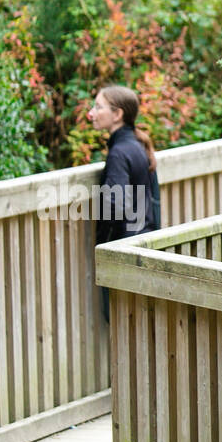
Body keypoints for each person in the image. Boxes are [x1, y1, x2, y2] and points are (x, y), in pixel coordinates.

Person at [88, 85, 161, 320]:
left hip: (124, 254)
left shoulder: (119, 153)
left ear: (117, 114)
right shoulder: (137, 147)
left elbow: (115, 205)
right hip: (144, 246)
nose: (91, 113)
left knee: (123, 323)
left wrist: (102, 245)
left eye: (98, 107)